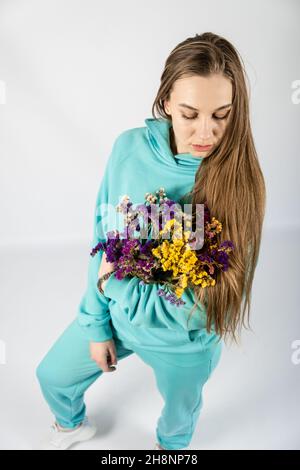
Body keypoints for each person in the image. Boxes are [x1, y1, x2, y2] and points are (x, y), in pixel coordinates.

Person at [35, 31, 266, 451]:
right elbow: (102, 240)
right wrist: (97, 324)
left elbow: (203, 306)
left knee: (179, 417)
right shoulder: (128, 150)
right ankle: (72, 427)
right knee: (50, 376)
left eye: (222, 115)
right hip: (118, 321)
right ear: (165, 103)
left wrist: (115, 285)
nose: (206, 132)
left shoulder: (241, 184)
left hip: (184, 345)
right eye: (190, 113)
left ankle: (170, 450)